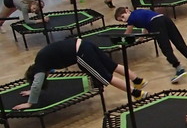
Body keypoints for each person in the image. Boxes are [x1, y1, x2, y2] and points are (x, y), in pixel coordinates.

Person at [13, 38, 147, 110]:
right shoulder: (42, 60)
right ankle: (138, 80)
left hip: (82, 53)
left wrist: (30, 103)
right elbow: (38, 81)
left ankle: (136, 93)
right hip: (84, 43)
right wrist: (32, 90)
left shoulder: (40, 67)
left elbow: (37, 83)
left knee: (106, 77)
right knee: (112, 66)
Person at [115, 6, 187, 83]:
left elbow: (128, 33)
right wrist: (141, 38)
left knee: (166, 48)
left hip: (157, 24)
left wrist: (120, 43)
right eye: (121, 20)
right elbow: (146, 24)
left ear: (127, 11)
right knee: (179, 43)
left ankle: (179, 69)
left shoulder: (131, 19)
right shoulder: (138, 12)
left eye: (123, 17)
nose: (123, 20)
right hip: (165, 19)